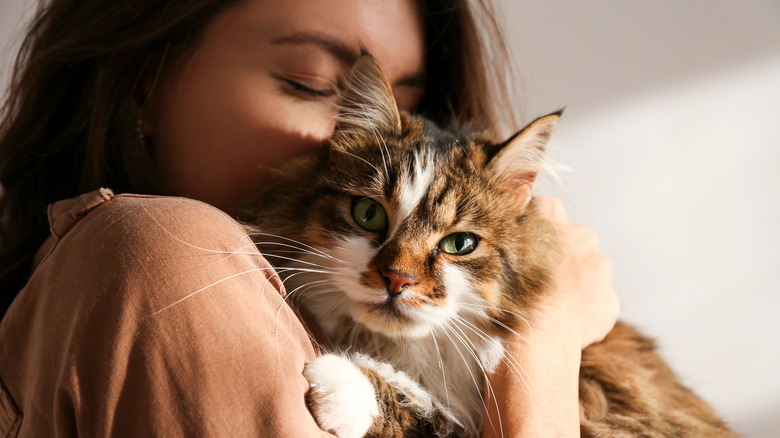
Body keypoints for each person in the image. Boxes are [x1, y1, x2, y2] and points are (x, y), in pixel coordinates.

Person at [0, 0, 619, 436]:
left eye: (405, 105)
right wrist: (547, 338)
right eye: (314, 83)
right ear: (143, 81)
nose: (364, 136)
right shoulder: (169, 256)